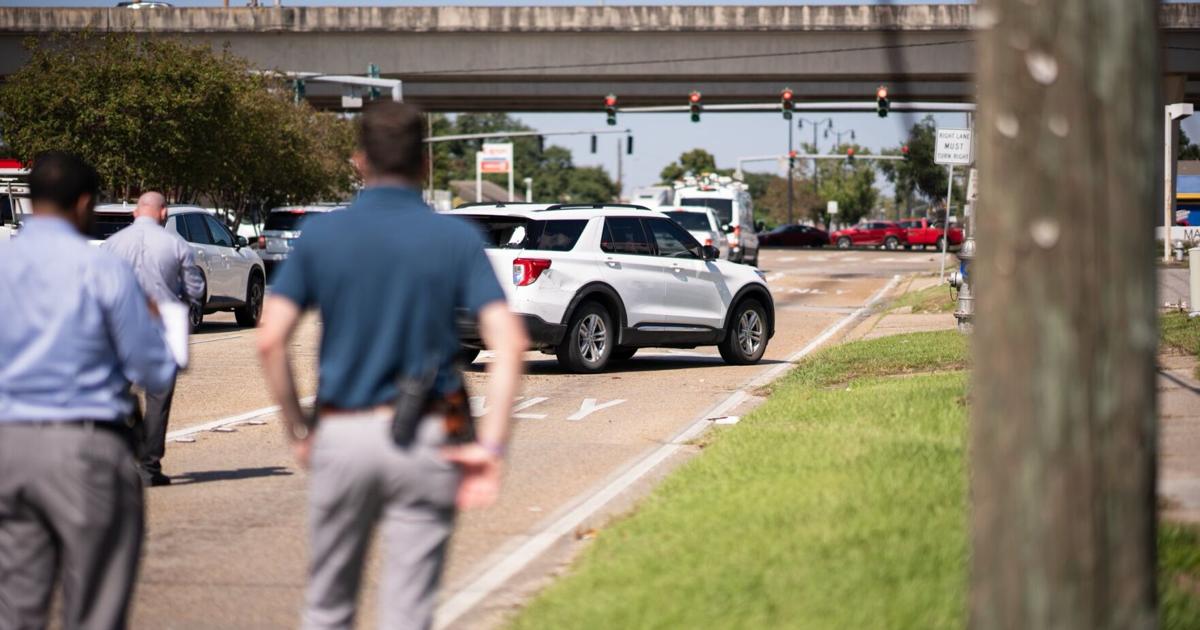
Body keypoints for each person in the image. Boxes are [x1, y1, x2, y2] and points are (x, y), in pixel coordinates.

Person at [257, 101, 528, 630]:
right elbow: (510, 344)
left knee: (328, 606)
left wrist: (299, 428)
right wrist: (490, 447)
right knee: (408, 612)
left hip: (342, 434)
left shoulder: (321, 235)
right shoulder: (456, 239)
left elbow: (270, 340)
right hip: (428, 439)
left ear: (360, 161)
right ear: (425, 165)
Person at [0, 151, 176, 629]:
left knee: (14, 605)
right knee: (95, 605)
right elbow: (153, 369)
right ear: (82, 203)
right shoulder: (101, 270)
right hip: (84, 448)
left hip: (7, 446)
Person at [102, 191, 205, 487]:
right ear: (164, 213)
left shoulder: (112, 244)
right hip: (161, 331)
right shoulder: (176, 244)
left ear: (136, 213)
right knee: (158, 399)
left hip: (119, 329)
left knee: (115, 394)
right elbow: (195, 290)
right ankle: (148, 467)